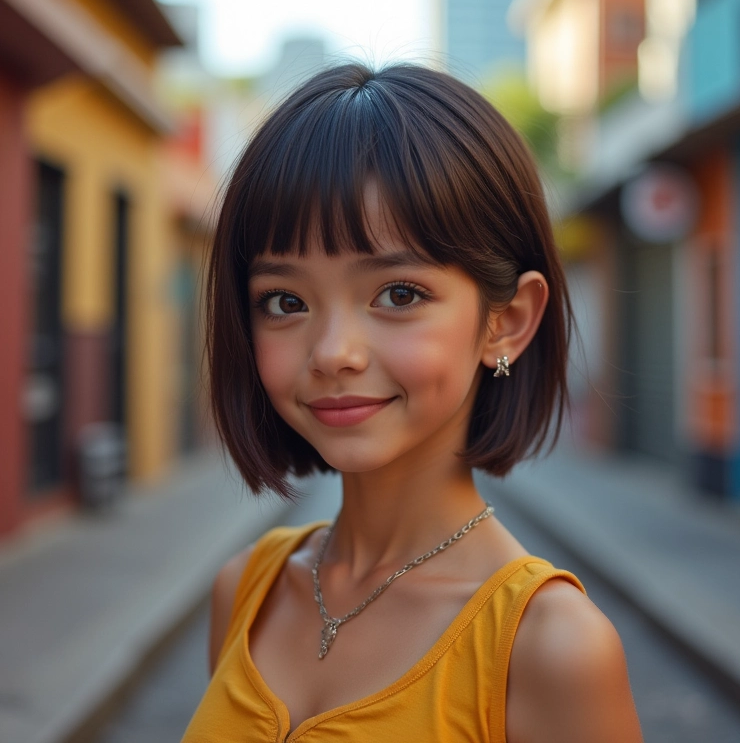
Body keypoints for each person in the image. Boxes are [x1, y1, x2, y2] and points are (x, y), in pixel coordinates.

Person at [182, 62, 643, 743]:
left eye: (399, 294)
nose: (333, 351)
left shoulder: (550, 646)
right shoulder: (246, 589)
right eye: (285, 301)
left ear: (507, 321)